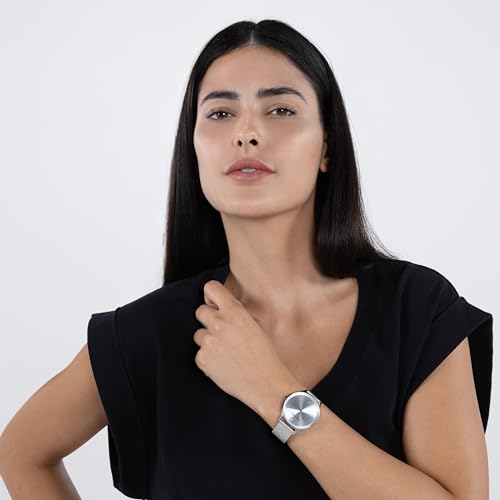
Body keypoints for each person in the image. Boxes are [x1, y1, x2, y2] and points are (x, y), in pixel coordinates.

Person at [0, 19, 493, 500]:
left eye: (280, 110)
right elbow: (21, 454)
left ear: (328, 147)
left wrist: (273, 391)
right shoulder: (149, 333)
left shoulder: (417, 310)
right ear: (193, 148)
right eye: (220, 113)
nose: (247, 133)